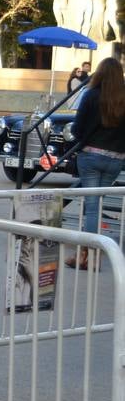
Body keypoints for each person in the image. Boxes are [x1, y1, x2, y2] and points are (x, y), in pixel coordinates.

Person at [68, 57, 125, 268]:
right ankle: (88, 254)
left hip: (91, 156)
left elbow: (77, 129)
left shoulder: (91, 95)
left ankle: (87, 256)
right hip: (116, 159)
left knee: (91, 207)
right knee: (97, 205)